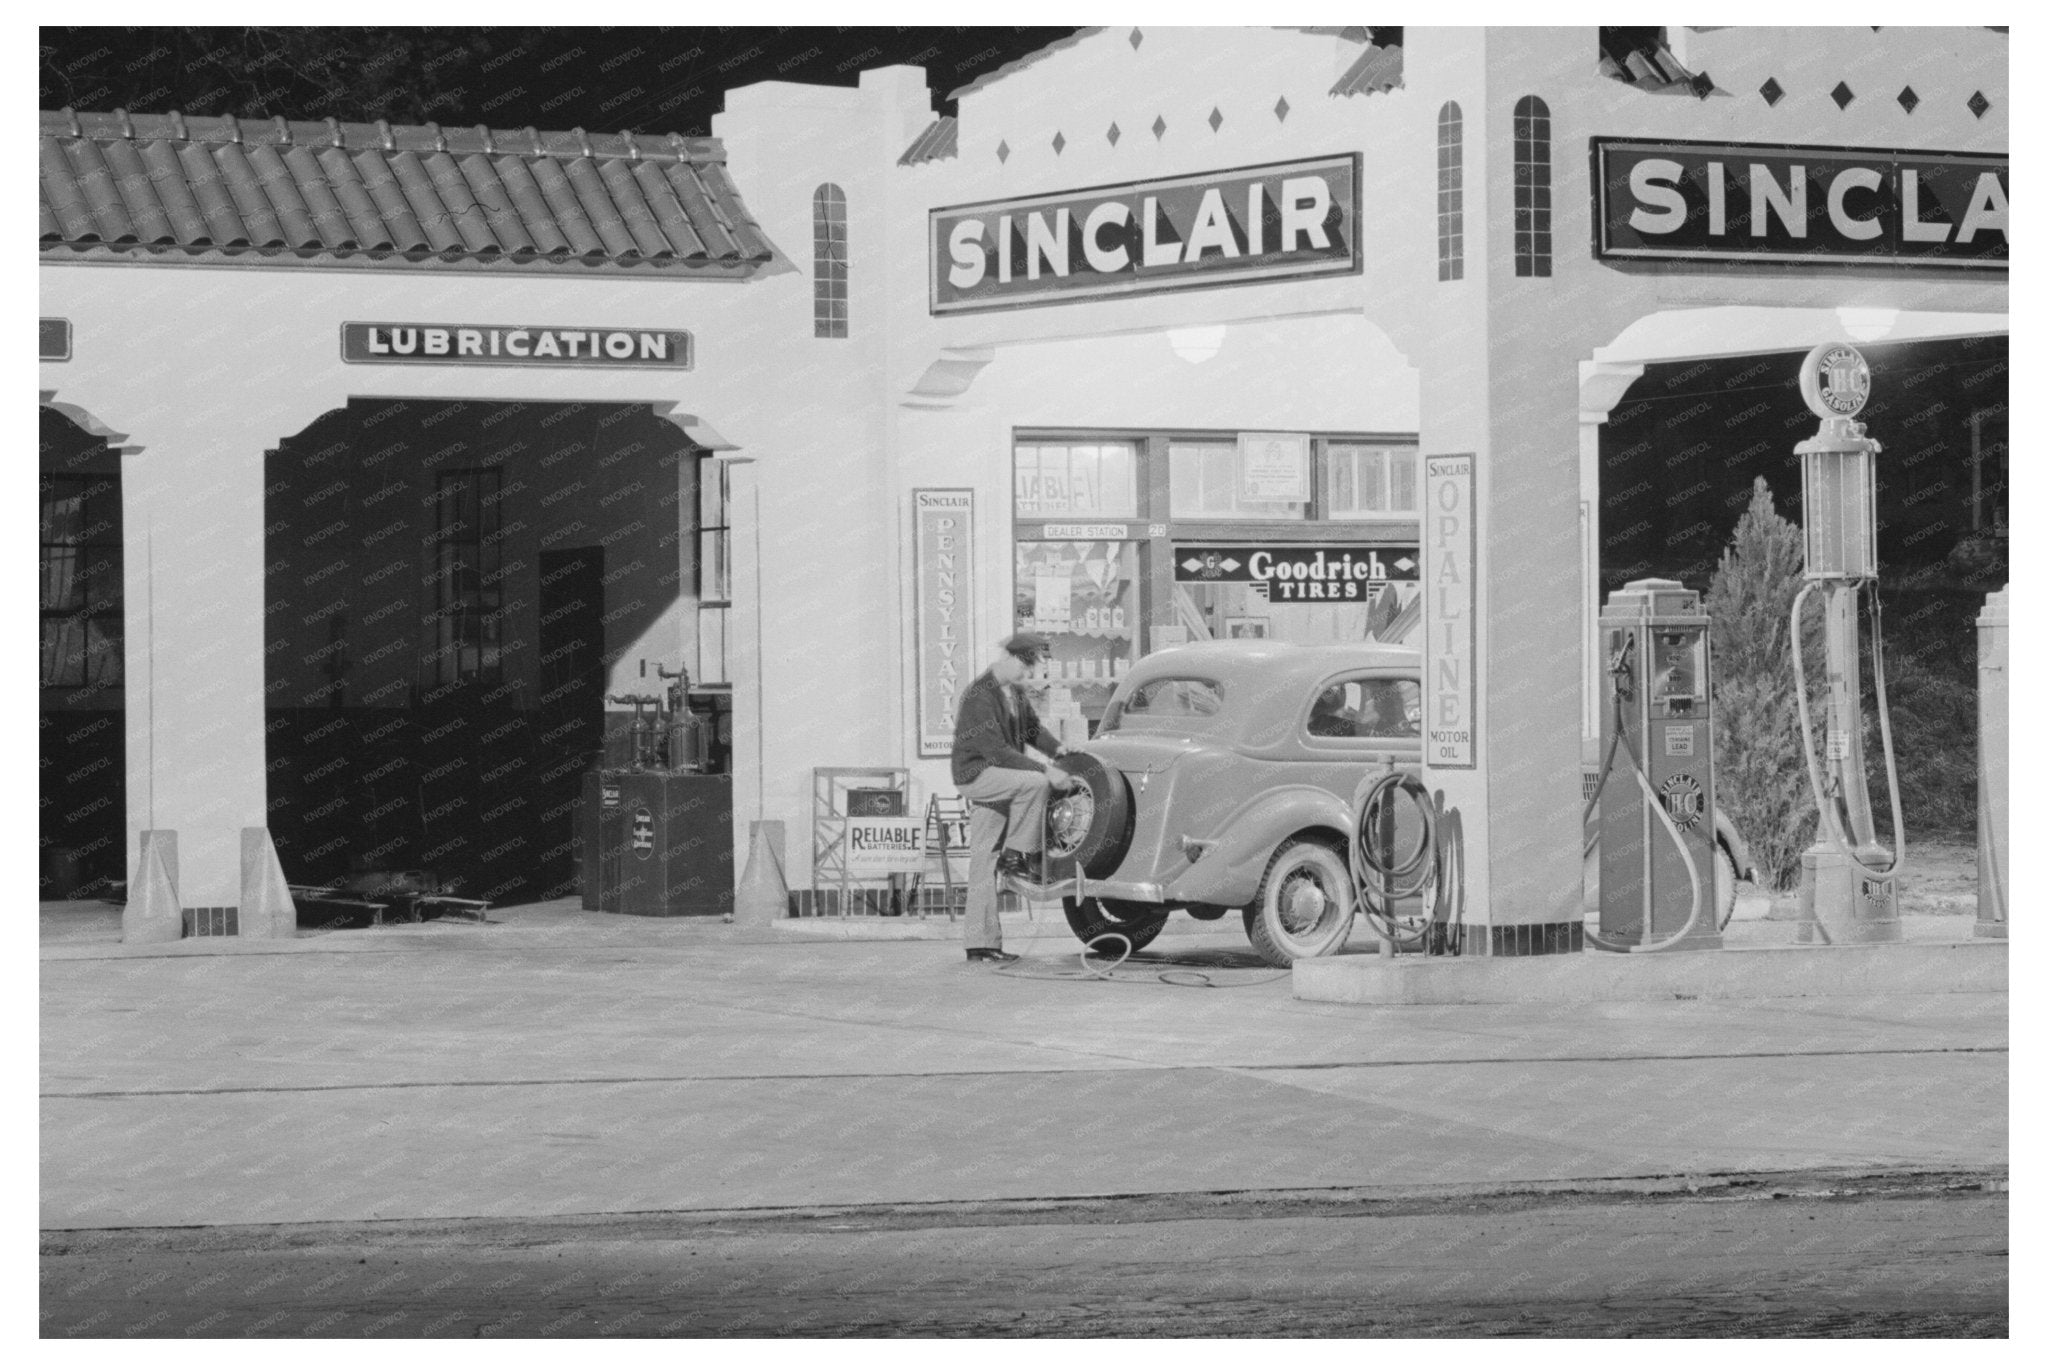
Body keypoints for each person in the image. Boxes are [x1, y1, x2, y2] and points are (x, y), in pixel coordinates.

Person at [950, 633, 1077, 964]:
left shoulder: (1015, 694)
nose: (1027, 678)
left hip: (1001, 782)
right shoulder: (980, 697)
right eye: (1025, 670)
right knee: (1035, 783)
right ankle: (1017, 854)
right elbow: (995, 752)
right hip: (978, 774)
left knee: (983, 862)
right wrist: (1046, 770)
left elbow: (1032, 731)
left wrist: (1058, 750)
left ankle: (981, 944)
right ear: (1012, 659)